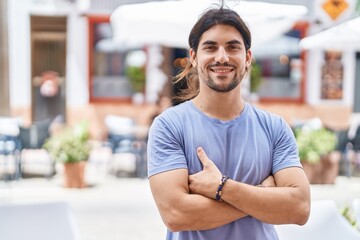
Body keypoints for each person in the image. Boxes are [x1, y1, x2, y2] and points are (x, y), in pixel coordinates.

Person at [147, 3, 310, 240]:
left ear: (247, 57)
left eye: (233, 47)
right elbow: (176, 214)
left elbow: (300, 208)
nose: (222, 57)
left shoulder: (274, 127)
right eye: (210, 47)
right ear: (193, 57)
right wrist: (262, 196)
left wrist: (222, 187)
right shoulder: (169, 126)